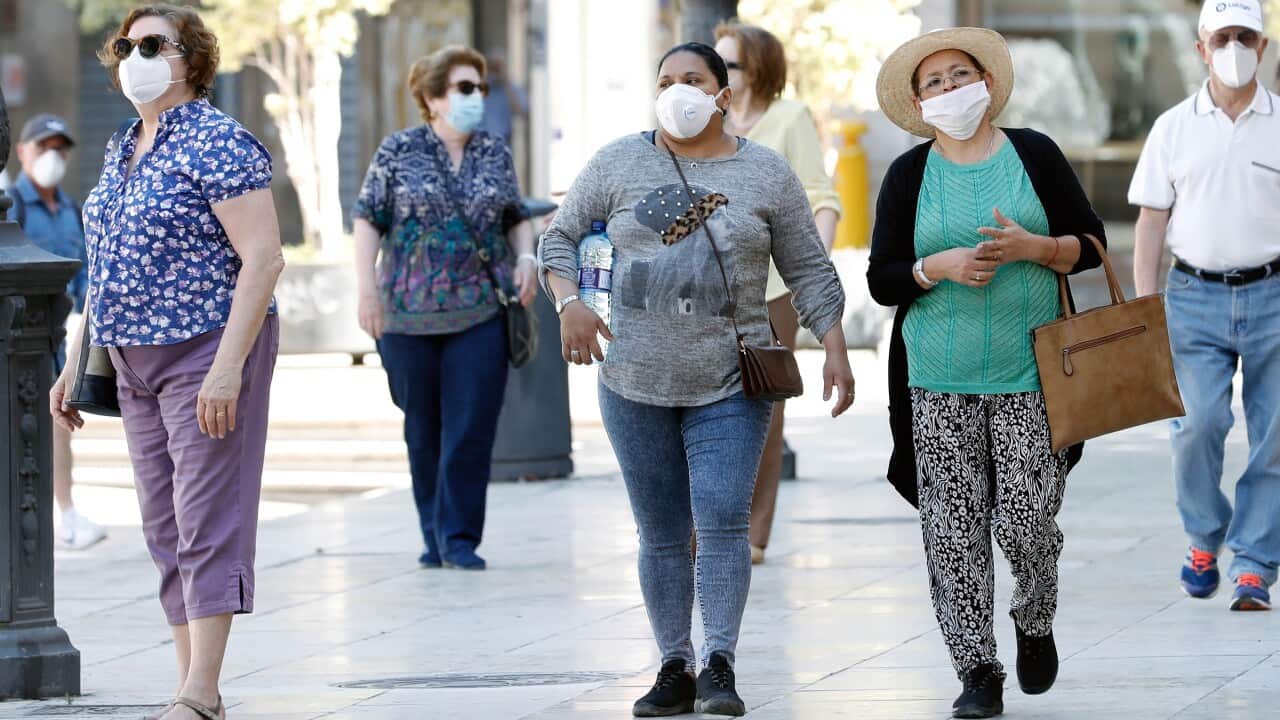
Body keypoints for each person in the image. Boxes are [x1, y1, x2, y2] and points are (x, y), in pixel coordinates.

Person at [540, 42, 854, 717]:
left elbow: (807, 267)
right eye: (665, 81)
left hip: (732, 379)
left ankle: (720, 662)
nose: (677, 90)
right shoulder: (619, 161)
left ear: (721, 93)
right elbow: (558, 238)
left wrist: (834, 346)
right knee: (659, 530)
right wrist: (569, 305)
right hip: (633, 380)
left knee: (719, 518)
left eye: (693, 79)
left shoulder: (765, 172)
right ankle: (673, 664)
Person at [49, 5, 283, 719]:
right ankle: (191, 688)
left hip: (207, 347)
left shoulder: (219, 142)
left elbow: (264, 259)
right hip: (130, 358)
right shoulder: (125, 144)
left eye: (154, 45)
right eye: (127, 45)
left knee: (205, 515)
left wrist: (226, 369)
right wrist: (77, 358)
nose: (136, 56)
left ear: (193, 59)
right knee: (162, 524)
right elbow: (111, 263)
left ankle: (201, 690)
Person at [868, 28, 1105, 719]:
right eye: (933, 81)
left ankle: (1034, 616)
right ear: (918, 101)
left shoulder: (1033, 153)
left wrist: (1038, 248)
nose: (948, 88)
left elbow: (1090, 245)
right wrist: (933, 268)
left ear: (988, 84)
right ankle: (977, 670)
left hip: (1031, 374)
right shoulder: (909, 175)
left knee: (1030, 520)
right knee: (952, 528)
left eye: (958, 74)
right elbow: (883, 279)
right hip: (935, 380)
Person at [353, 45, 537, 572]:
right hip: (406, 315)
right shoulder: (398, 150)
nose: (475, 96)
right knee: (423, 428)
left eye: (479, 87)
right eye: (463, 88)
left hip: (481, 310)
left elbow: (514, 216)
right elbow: (368, 220)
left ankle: (459, 538)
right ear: (432, 98)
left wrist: (525, 257)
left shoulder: (495, 152)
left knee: (471, 428)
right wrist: (366, 290)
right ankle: (433, 533)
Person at [1129, 0, 1277, 612]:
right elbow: (1150, 222)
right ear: (1201, 48)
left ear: (1263, 48)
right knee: (1196, 427)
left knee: (1276, 435)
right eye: (1223, 37)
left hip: (1274, 294)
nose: (1234, 48)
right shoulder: (1172, 127)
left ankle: (1255, 562)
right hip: (1192, 296)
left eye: (1246, 37)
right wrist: (1143, 308)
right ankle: (1203, 536)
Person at [713, 21, 842, 566]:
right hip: (706, 290)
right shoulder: (709, 121)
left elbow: (821, 195)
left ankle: (752, 533)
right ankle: (710, 524)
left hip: (772, 291)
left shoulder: (789, 119)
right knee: (708, 404)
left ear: (758, 68)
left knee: (762, 411)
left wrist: (809, 273)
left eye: (731, 65)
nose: (721, 76)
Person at [8, 113, 107, 550]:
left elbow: (87, 269)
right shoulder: (10, 205)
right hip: (17, 334)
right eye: (43, 146)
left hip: (60, 335)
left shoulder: (70, 210)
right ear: (22, 151)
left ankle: (65, 512)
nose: (52, 156)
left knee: (59, 421)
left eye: (59, 148)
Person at [479, 49, 528, 145]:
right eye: (493, 67)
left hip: (502, 142)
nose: (495, 72)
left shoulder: (512, 88)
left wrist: (506, 83)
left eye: (498, 68)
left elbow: (521, 111)